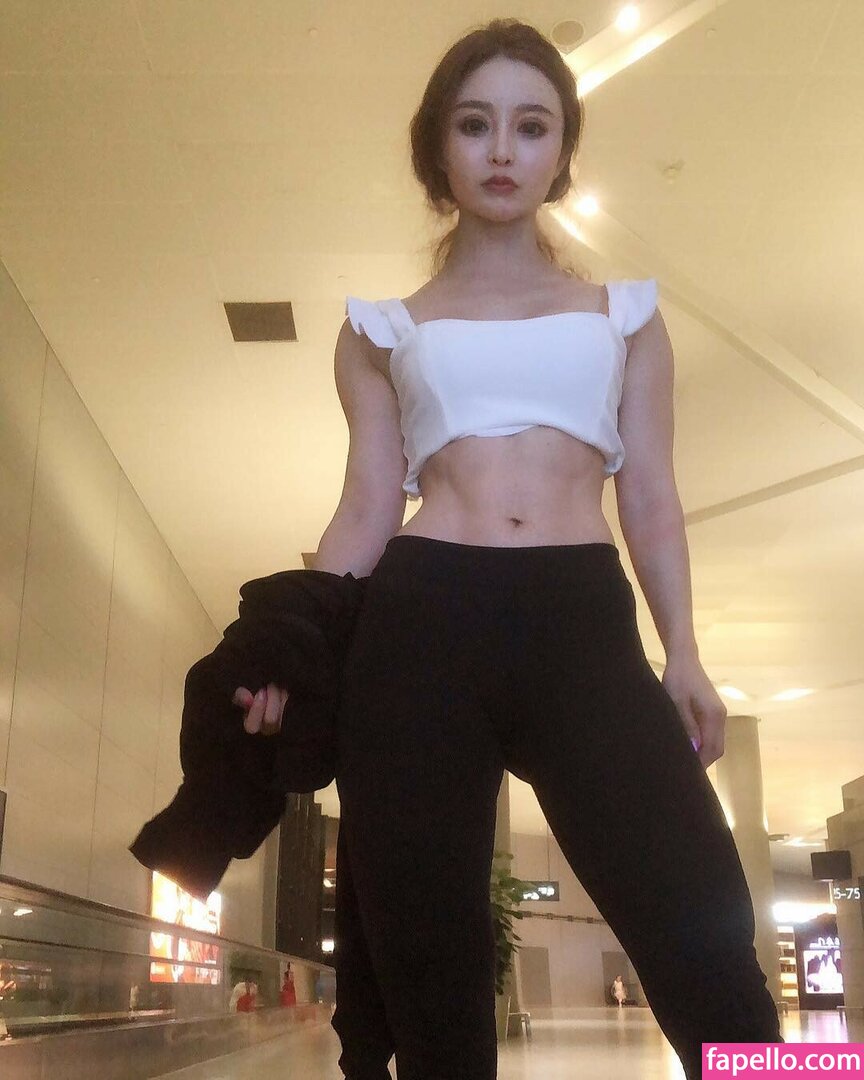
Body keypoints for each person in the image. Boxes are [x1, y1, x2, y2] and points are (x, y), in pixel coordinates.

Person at [233, 17, 783, 1080]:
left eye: (531, 127)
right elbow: (365, 507)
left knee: (705, 934)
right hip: (422, 624)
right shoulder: (381, 329)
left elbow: (651, 495)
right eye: (474, 124)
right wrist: (284, 653)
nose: (501, 150)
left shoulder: (625, 317)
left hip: (582, 621)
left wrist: (684, 650)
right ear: (436, 148)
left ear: (561, 151)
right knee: (428, 965)